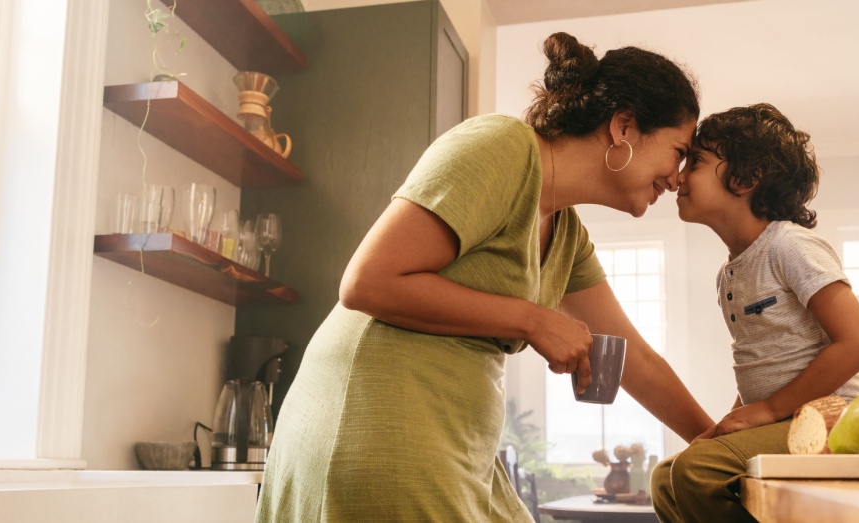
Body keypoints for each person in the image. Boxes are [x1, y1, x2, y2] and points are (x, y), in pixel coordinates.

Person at [255, 32, 715, 522]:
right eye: (678, 151)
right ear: (624, 125)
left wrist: (720, 448)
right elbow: (366, 282)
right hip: (375, 423)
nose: (677, 177)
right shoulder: (502, 147)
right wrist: (534, 321)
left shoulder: (567, 235)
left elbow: (635, 358)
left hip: (454, 444)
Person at [651, 103, 859, 523]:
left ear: (747, 178)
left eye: (696, 162)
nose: (678, 177)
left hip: (840, 415)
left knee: (697, 471)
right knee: (666, 478)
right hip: (788, 415)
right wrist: (734, 419)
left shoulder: (790, 246)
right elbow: (762, 360)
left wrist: (771, 409)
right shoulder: (729, 275)